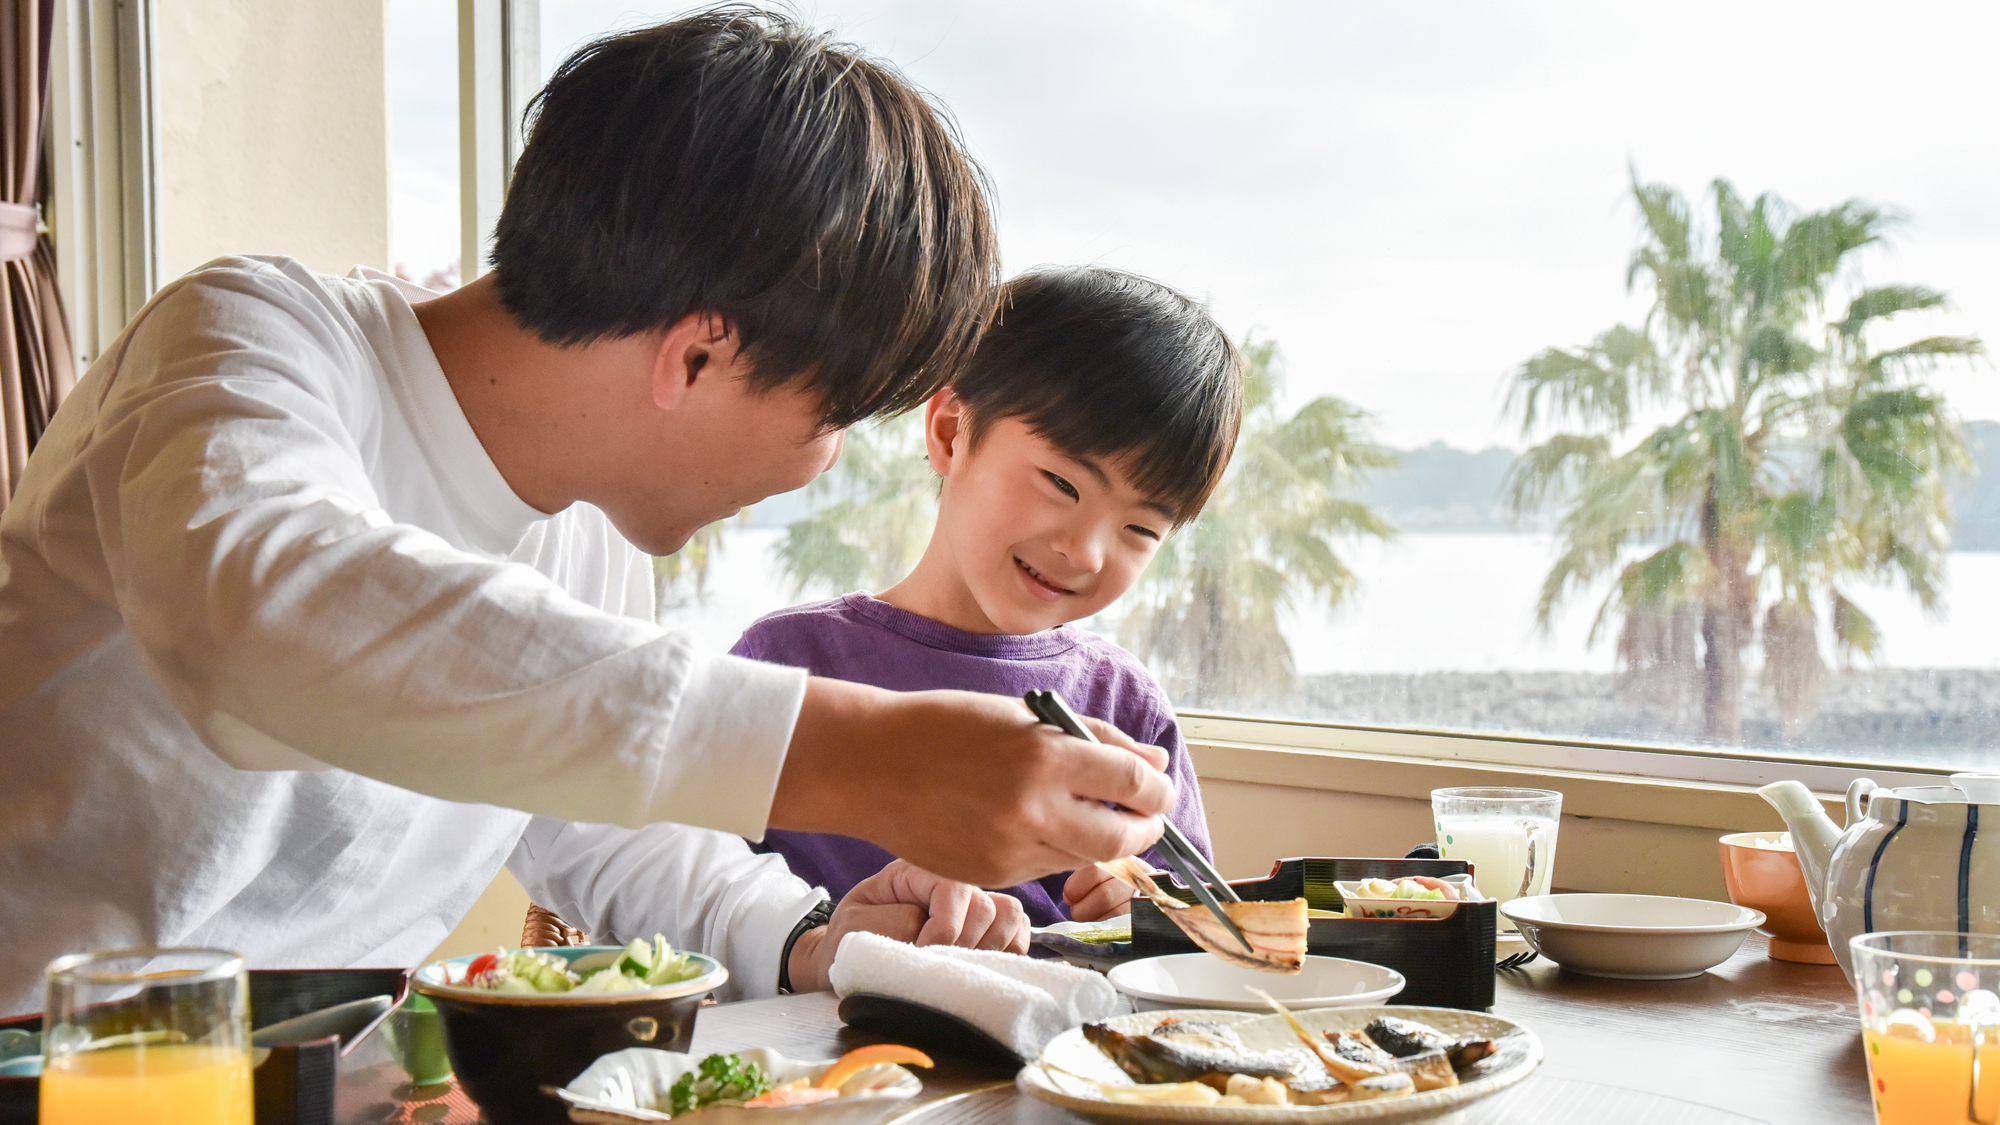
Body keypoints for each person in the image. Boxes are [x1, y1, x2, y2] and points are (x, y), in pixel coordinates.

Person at [0, 11, 1168, 1014]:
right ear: (700, 354)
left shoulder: (593, 522)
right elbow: (266, 622)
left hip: (342, 1076)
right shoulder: (248, 344)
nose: (817, 466)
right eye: (831, 416)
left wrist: (815, 941)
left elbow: (604, 816)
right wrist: (854, 754)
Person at [731, 266, 1243, 927]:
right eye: (1062, 483)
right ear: (949, 431)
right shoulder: (786, 660)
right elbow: (690, 904)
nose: (1086, 551)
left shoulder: (1123, 705)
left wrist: (1149, 917)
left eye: (1140, 529)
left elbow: (1203, 934)